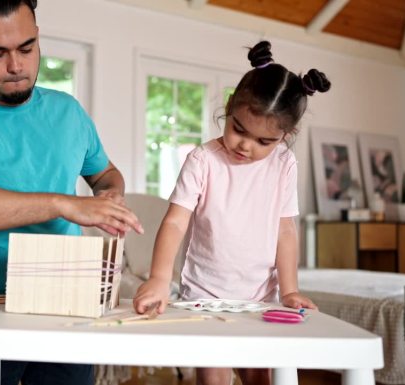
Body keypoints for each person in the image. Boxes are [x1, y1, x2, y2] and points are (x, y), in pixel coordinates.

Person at [0, 1, 143, 384]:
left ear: (38, 38)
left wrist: (109, 195)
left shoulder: (69, 112)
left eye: (26, 48)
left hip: (65, 306)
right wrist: (62, 204)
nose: (16, 66)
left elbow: (106, 174)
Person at [132, 41, 330, 385]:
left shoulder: (284, 164)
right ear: (228, 107)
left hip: (261, 295)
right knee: (214, 375)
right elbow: (176, 221)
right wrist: (160, 279)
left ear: (286, 135)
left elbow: (285, 230)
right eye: (238, 129)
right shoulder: (203, 161)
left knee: (260, 375)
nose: (245, 146)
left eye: (263, 141)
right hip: (205, 294)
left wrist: (290, 290)